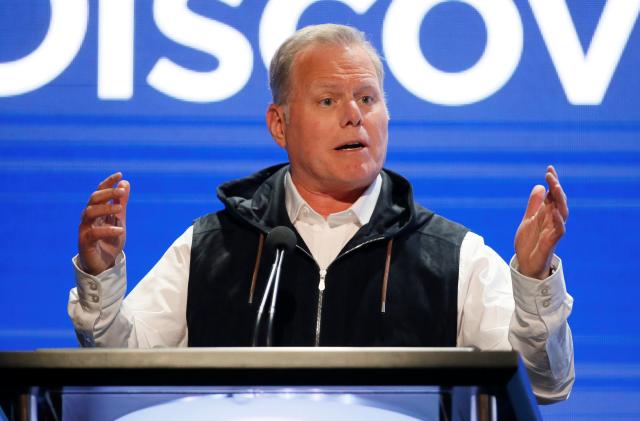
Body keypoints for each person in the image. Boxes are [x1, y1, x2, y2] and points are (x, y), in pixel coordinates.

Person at [68, 24, 574, 402]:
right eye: (329, 100)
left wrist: (532, 282)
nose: (354, 114)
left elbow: (542, 385)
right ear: (279, 124)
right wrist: (101, 274)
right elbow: (119, 368)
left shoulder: (451, 256)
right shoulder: (213, 246)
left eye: (367, 98)